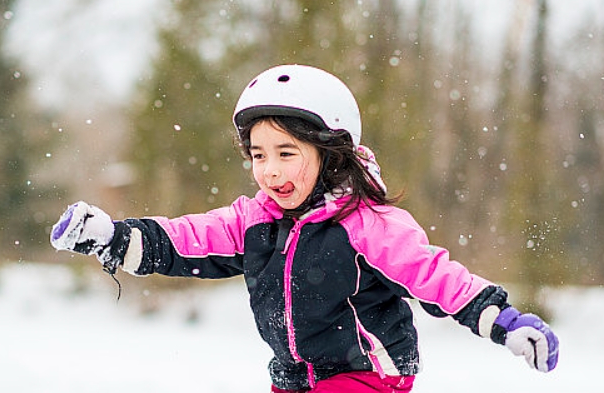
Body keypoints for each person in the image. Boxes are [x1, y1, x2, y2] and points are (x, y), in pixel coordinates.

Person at [50, 64, 559, 392]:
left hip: (367, 375)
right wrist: (113, 236)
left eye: (287, 154)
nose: (269, 171)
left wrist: (502, 320)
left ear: (331, 153)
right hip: (294, 378)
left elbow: (435, 277)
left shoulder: (367, 224)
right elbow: (187, 240)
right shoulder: (254, 221)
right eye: (258, 155)